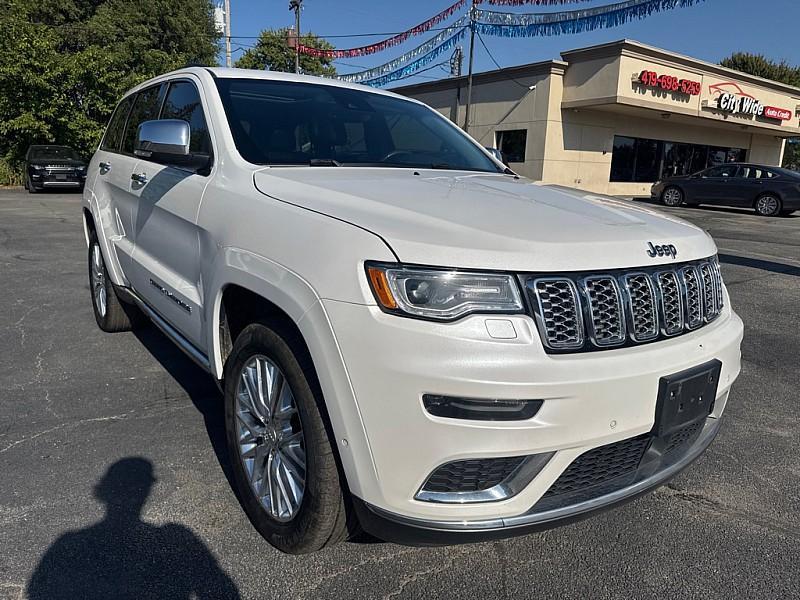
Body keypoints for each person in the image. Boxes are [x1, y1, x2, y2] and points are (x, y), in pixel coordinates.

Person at [27, 458, 240, 599]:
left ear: (103, 491)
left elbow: (37, 591)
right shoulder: (174, 535)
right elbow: (219, 586)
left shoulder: (67, 544)